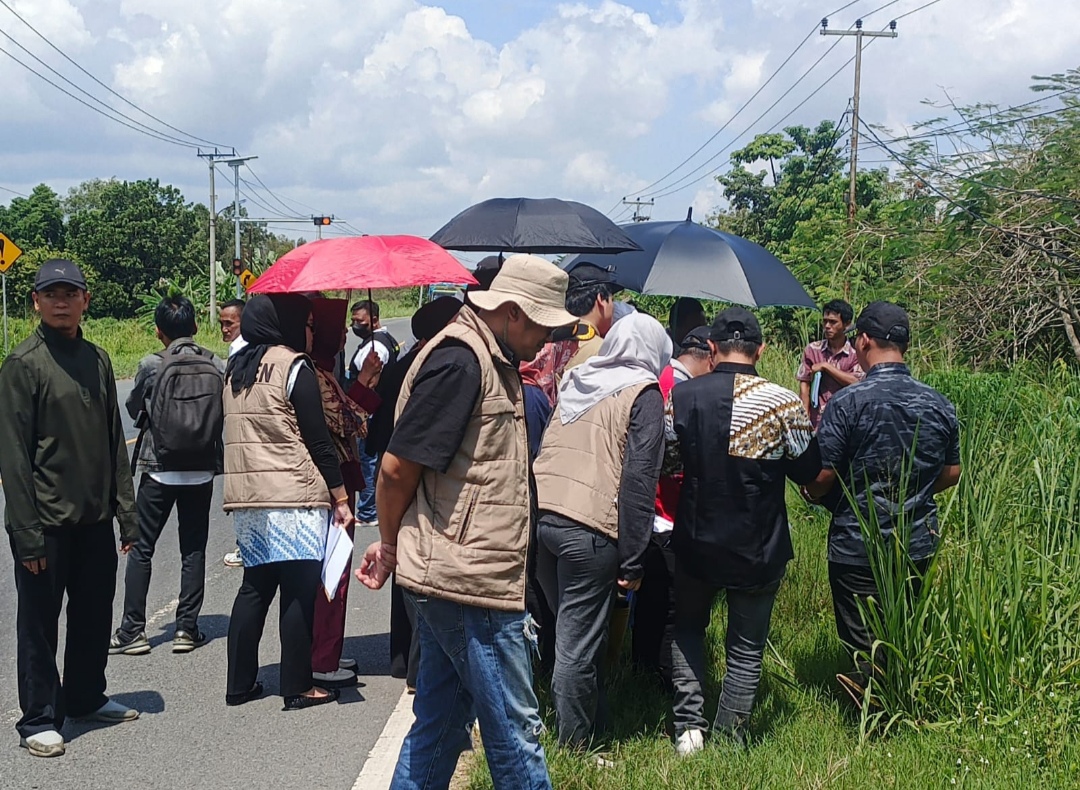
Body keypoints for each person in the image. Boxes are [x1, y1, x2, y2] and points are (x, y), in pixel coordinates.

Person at [356, 253, 577, 790]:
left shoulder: (488, 357)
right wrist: (388, 544)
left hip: (463, 573)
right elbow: (394, 467)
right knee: (515, 738)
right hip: (469, 583)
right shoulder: (462, 362)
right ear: (513, 312)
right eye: (544, 324)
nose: (549, 338)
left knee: (439, 727)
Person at [0, 259, 140, 759]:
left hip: (94, 521)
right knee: (39, 622)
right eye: (51, 293)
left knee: (92, 614)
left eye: (70, 292)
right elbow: (13, 459)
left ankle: (84, 696)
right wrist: (26, 533)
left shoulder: (99, 359)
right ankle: (38, 717)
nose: (61, 301)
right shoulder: (23, 365)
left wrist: (127, 513)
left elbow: (113, 444)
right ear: (36, 302)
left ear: (85, 299)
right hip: (47, 525)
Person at [669, 308, 821, 754]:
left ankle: (688, 729)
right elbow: (809, 471)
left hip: (696, 538)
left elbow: (668, 463)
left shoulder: (683, 396)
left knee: (689, 629)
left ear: (711, 349)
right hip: (758, 544)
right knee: (746, 646)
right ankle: (729, 739)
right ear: (762, 350)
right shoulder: (782, 402)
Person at [804, 302, 961, 696]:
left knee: (862, 639)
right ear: (905, 344)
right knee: (903, 626)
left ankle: (872, 711)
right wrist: (915, 490)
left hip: (857, 542)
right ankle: (903, 697)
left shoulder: (848, 403)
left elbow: (822, 477)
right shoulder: (939, 403)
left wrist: (809, 487)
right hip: (917, 540)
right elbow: (952, 472)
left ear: (863, 340)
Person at [533, 312, 669, 748]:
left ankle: (596, 725)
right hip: (587, 531)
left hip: (542, 517)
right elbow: (639, 480)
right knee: (578, 644)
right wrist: (633, 559)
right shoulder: (643, 393)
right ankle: (575, 747)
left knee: (576, 636)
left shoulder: (578, 378)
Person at [222, 294, 355, 711]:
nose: (311, 331)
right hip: (293, 496)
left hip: (249, 498)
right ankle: (297, 686)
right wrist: (339, 495)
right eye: (308, 323)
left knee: (255, 588)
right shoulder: (293, 366)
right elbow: (317, 438)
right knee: (299, 591)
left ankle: (239, 685)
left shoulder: (236, 368)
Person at [110, 295, 225, 657]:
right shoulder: (215, 363)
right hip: (202, 469)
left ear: (159, 331)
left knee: (142, 549)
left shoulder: (151, 364)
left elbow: (133, 408)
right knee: (193, 549)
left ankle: (133, 631)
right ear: (194, 328)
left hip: (158, 468)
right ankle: (186, 630)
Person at [363, 296, 464, 690]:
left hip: (396, 468)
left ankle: (402, 656)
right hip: (410, 471)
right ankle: (418, 663)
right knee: (414, 563)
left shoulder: (402, 364)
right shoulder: (435, 369)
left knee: (401, 557)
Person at [632, 326, 715, 687]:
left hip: (645, 512)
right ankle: (665, 680)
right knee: (670, 608)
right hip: (668, 511)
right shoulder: (680, 391)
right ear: (710, 355)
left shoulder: (656, 377)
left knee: (649, 604)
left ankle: (639, 673)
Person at [308, 298, 370, 688]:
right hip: (334, 485)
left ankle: (326, 650)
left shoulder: (324, 371)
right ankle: (322, 658)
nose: (346, 334)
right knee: (333, 574)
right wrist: (364, 385)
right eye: (337, 329)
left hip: (336, 480)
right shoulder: (316, 375)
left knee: (334, 572)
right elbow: (352, 421)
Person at [349, 299, 399, 528]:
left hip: (368, 413)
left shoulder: (376, 347)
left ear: (374, 320)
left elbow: (370, 382)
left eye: (360, 321)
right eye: (353, 321)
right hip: (379, 411)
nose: (355, 325)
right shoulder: (385, 340)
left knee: (366, 462)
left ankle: (368, 512)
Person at [797, 299, 864, 430]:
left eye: (833, 322)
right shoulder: (812, 350)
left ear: (847, 324)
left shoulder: (855, 353)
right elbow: (804, 383)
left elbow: (856, 382)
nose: (827, 326)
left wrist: (826, 367)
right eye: (825, 321)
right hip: (816, 421)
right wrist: (804, 416)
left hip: (845, 421)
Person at [220, 298, 248, 568]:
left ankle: (244, 546)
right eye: (221, 324)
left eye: (230, 323)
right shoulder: (238, 349)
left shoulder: (241, 351)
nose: (224, 329)